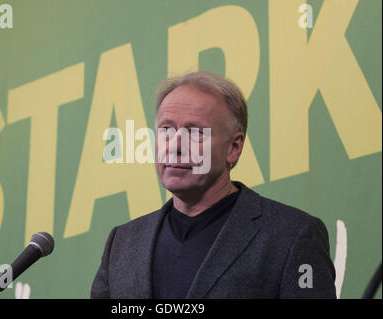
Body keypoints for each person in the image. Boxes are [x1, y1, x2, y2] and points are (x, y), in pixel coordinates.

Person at [91, 71, 336, 299]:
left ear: (233, 147)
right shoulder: (122, 243)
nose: (175, 145)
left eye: (195, 132)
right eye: (166, 129)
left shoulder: (291, 235)